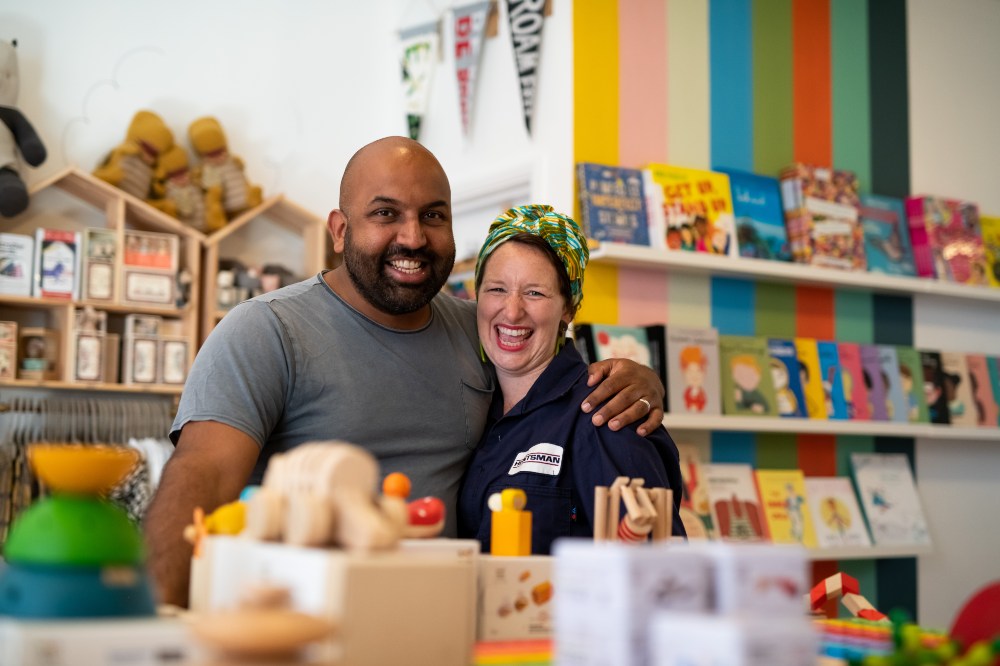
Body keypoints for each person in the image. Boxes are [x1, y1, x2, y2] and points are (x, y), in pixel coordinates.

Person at [144, 136, 666, 607]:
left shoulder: (479, 330)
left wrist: (641, 380)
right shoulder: (266, 330)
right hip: (308, 626)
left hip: (448, 626)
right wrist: (155, 622)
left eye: (433, 215)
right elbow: (203, 476)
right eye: (386, 214)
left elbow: (549, 361)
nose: (413, 237)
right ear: (341, 230)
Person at [457, 205, 685, 554]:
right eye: (497, 289)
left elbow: (662, 575)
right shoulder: (476, 406)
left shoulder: (607, 414)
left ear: (568, 308)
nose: (513, 310)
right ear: (477, 297)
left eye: (535, 293)